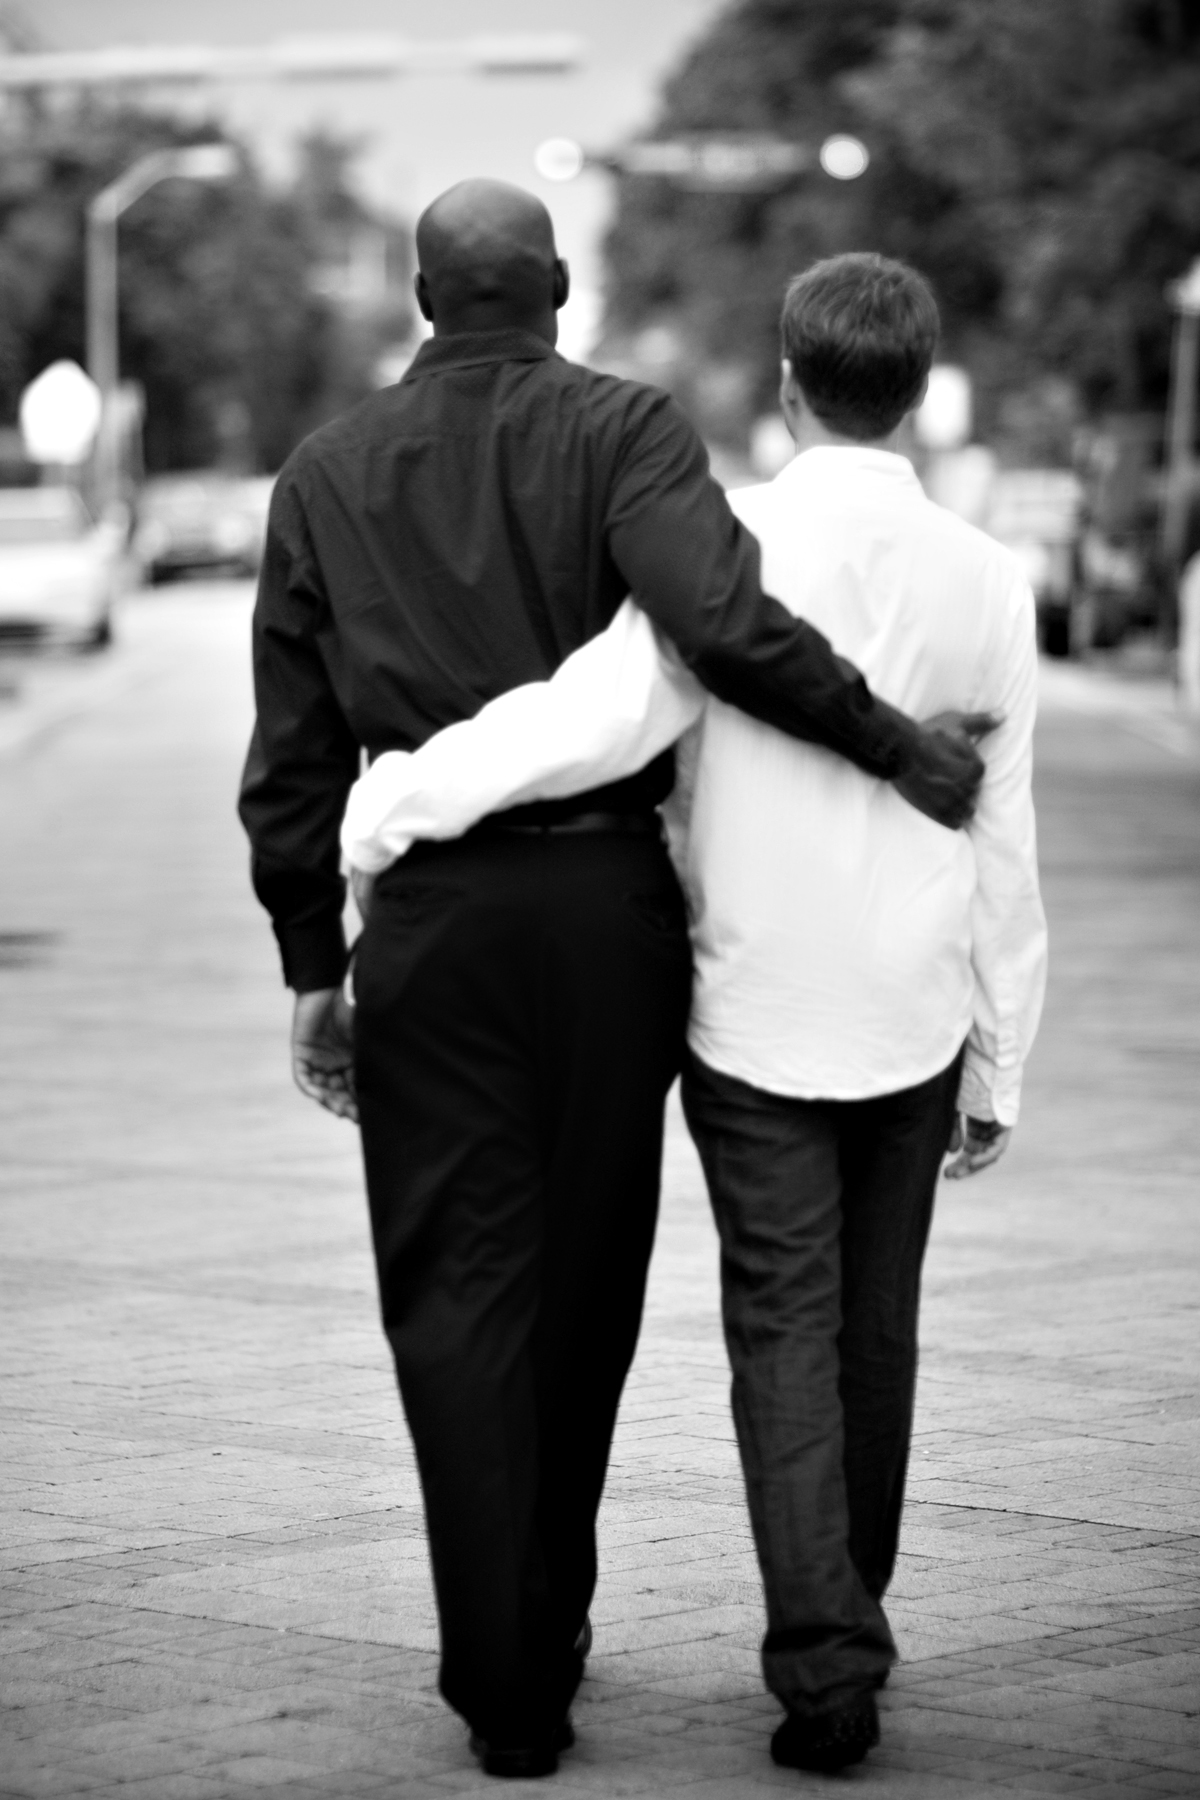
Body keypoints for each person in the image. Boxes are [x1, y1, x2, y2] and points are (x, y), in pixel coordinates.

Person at [239, 188, 988, 1780]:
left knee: (453, 1304)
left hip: (430, 931)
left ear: (424, 297)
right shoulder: (629, 432)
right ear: (563, 287)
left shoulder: (324, 472)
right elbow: (721, 622)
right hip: (603, 921)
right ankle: (553, 1617)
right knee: (582, 1294)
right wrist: (896, 748)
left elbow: (292, 757)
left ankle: (507, 1679)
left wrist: (314, 966)